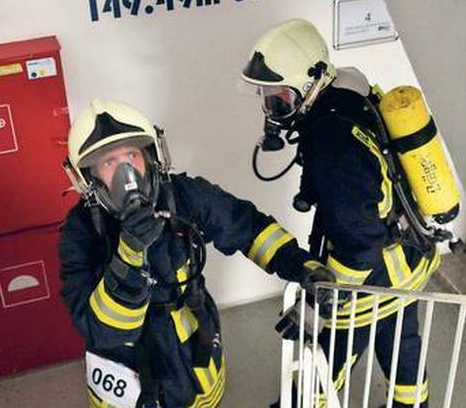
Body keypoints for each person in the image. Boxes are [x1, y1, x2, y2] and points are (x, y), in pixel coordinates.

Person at [58, 99, 332, 408]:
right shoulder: (80, 233)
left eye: (132, 155)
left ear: (151, 155)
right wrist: (129, 254)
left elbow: (246, 226)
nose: (127, 173)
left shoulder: (183, 195)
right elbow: (103, 332)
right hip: (132, 376)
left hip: (194, 359)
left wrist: (300, 265)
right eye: (109, 162)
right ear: (88, 178)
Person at [241, 19, 457, 408]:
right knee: (401, 343)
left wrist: (323, 299)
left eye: (279, 98)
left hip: (370, 276)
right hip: (406, 256)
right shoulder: (346, 87)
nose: (272, 109)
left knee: (329, 352)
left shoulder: (333, 146)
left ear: (311, 82)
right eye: (268, 97)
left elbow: (358, 243)